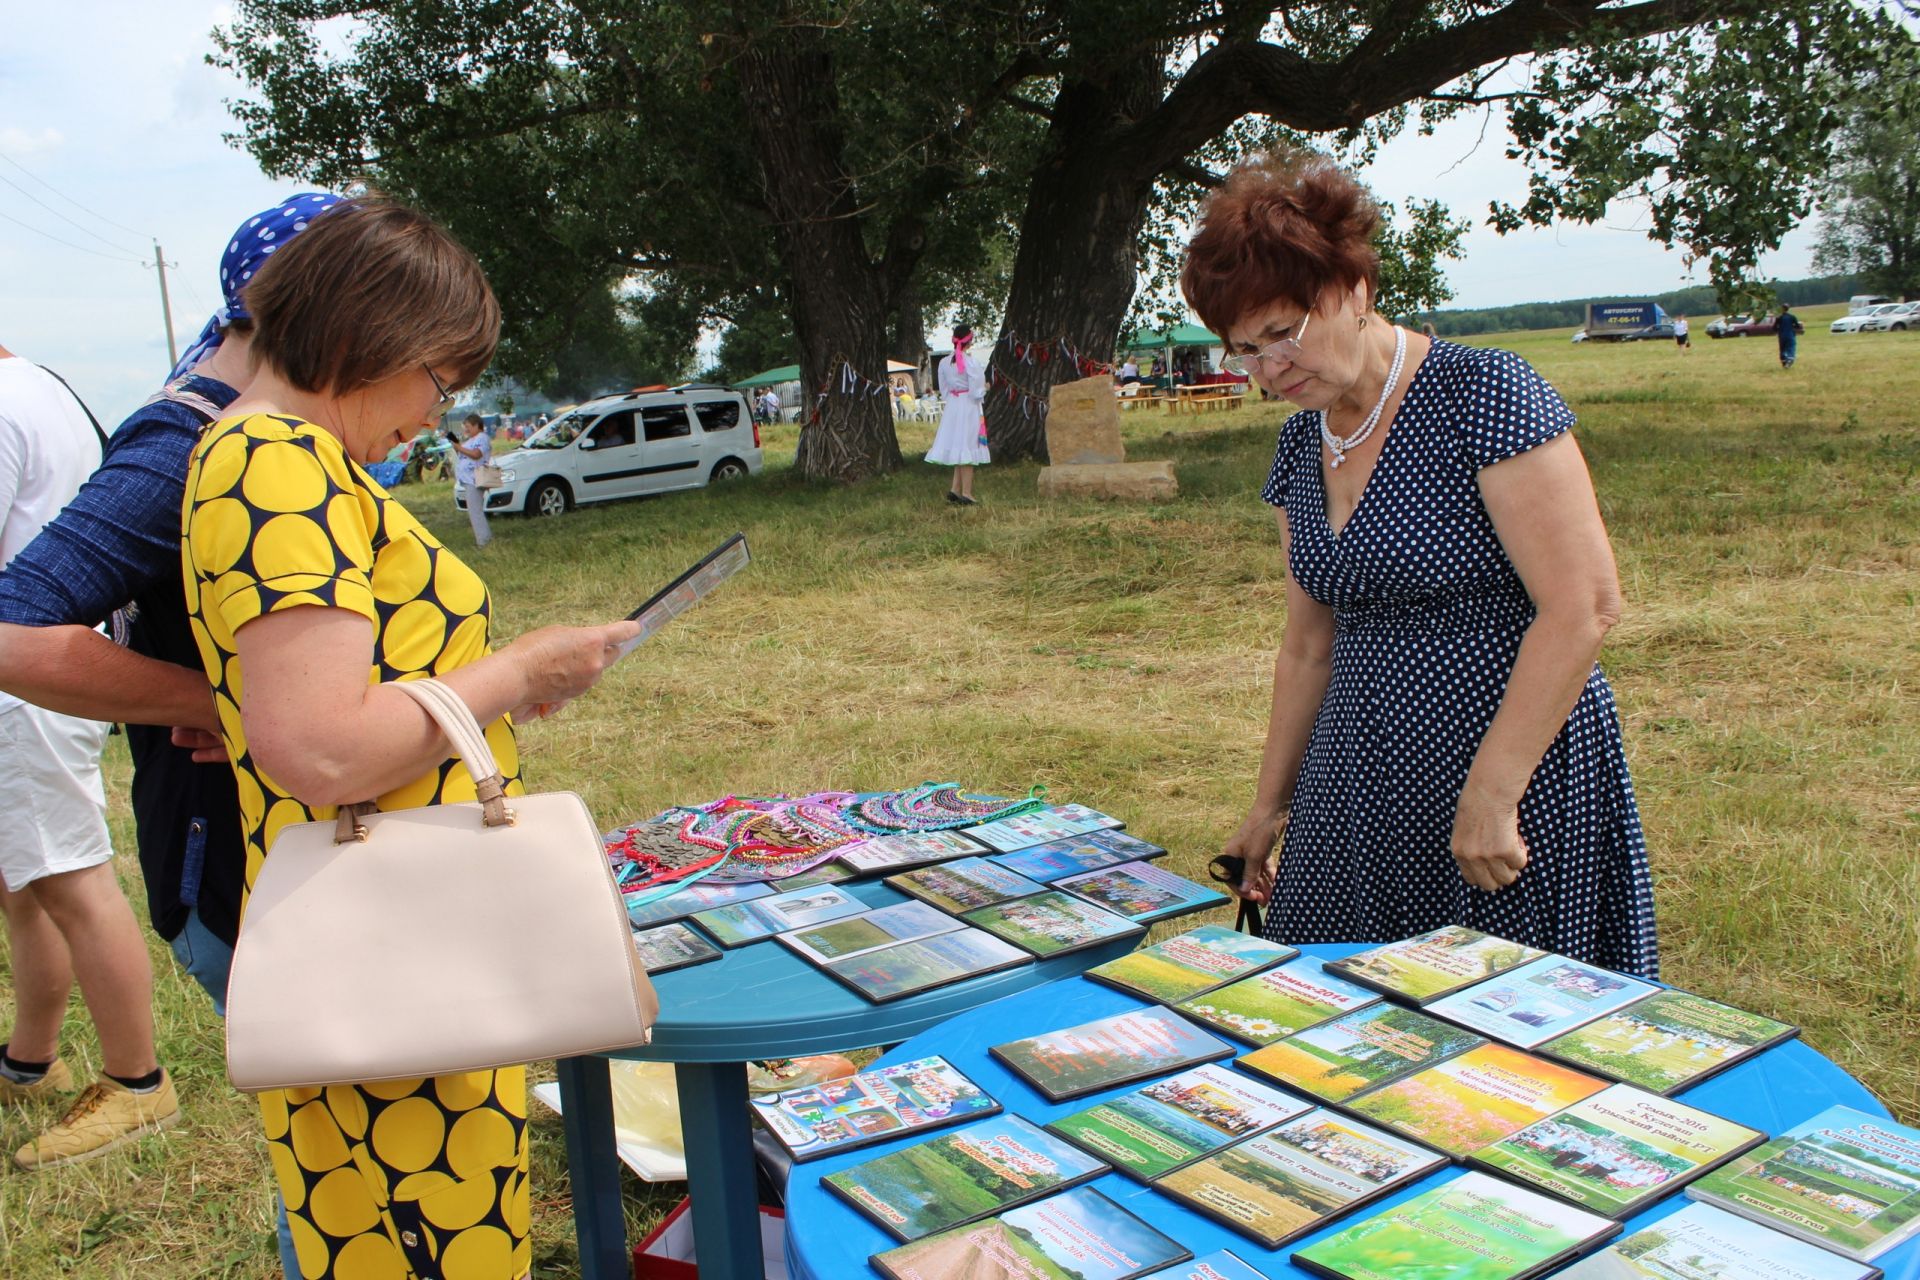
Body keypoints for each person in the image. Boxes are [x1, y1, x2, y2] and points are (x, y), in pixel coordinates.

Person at [179, 196, 639, 1280]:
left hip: (404, 936)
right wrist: (514, 672)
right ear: (364, 336)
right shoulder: (274, 462)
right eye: (439, 378)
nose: (439, 411)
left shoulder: (282, 455)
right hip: (392, 957)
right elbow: (324, 747)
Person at [1184, 149, 1658, 978]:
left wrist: (1494, 790)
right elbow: (1308, 645)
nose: (1267, 370)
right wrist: (1270, 805)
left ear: (1355, 290)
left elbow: (1583, 604)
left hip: (1504, 749)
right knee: (1331, 1002)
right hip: (1359, 762)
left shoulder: (1486, 392)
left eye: (1281, 335)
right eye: (1244, 351)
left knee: (1503, 1020)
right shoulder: (1301, 442)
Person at [0, 349, 182, 1168]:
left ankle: (135, 1082)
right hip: (40, 671)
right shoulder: (41, 385)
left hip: (21, 682)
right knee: (29, 882)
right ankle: (29, 1061)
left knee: (70, 876)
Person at [927, 324, 989, 505]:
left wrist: (953, 397)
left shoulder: (944, 363)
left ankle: (955, 489)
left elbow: (944, 388)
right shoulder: (971, 363)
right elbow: (976, 390)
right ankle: (967, 493)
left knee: (959, 445)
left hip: (953, 406)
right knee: (967, 446)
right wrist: (985, 389)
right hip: (967, 405)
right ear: (969, 341)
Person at [451, 412, 495, 547]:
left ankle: (484, 541)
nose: (466, 429)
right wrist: (458, 447)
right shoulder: (470, 440)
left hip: (475, 479)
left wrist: (459, 448)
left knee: (475, 511)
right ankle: (484, 538)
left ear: (477, 425)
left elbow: (476, 454)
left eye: (468, 426)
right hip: (468, 479)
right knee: (474, 510)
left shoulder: (482, 438)